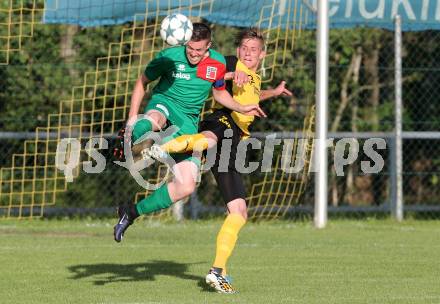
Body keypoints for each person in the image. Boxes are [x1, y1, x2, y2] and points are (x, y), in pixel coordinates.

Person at [145, 28, 292, 294]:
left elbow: (251, 95)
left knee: (238, 211)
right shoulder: (231, 64)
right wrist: (228, 73)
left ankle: (217, 271)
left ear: (263, 53)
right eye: (244, 48)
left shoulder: (254, 76)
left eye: (253, 49)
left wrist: (274, 92)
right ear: (237, 51)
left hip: (235, 139)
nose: (247, 53)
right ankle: (163, 146)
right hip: (221, 119)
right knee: (209, 139)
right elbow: (209, 73)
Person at [113, 23, 265, 244]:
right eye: (190, 49)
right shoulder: (168, 56)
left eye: (199, 50)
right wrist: (131, 118)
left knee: (186, 186)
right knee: (156, 118)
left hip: (188, 122)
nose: (193, 54)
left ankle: (131, 212)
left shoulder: (218, 62)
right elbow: (142, 81)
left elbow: (219, 92)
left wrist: (241, 108)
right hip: (164, 103)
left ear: (208, 46)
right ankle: (128, 137)